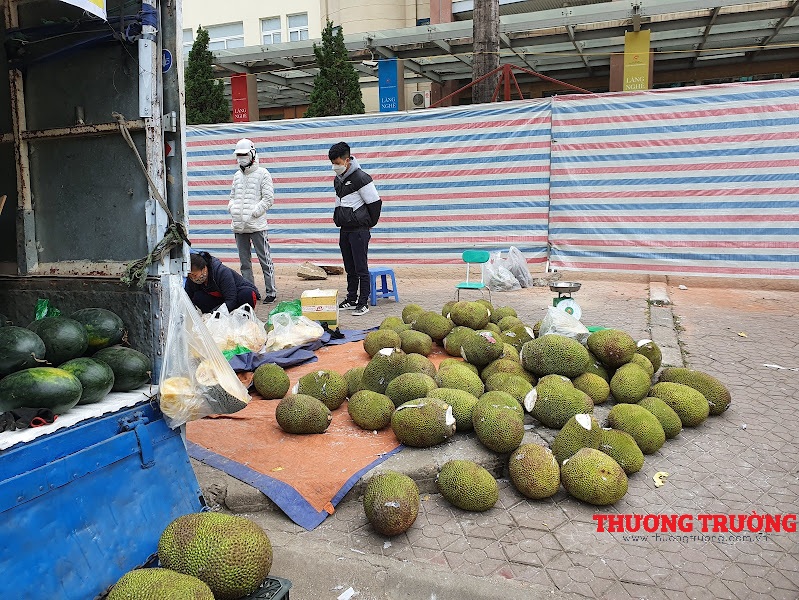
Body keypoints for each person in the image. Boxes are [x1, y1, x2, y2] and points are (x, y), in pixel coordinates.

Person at [328, 142, 382, 317]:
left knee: (361, 267)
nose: (334, 167)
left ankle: (363, 302)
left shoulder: (361, 178)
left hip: (359, 230)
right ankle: (351, 298)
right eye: (332, 163)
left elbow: (375, 203)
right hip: (344, 229)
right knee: (349, 267)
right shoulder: (338, 179)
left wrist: (368, 223)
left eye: (337, 163)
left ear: (347, 160)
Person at [229, 138, 278, 303]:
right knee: (244, 263)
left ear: (252, 154)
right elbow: (232, 197)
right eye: (239, 155)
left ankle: (271, 292)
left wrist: (254, 213)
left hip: (257, 225)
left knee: (265, 259)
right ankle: (250, 291)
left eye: (244, 154)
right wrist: (233, 209)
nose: (241, 158)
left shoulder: (263, 173)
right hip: (239, 226)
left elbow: (268, 199)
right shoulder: (237, 176)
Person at [185, 251, 260, 314]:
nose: (193, 278)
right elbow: (187, 298)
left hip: (235, 298)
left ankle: (243, 318)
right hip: (219, 299)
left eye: (195, 275)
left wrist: (216, 313)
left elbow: (231, 299)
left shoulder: (222, 272)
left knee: (246, 294)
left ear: (204, 268)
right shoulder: (191, 278)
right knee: (199, 297)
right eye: (190, 276)